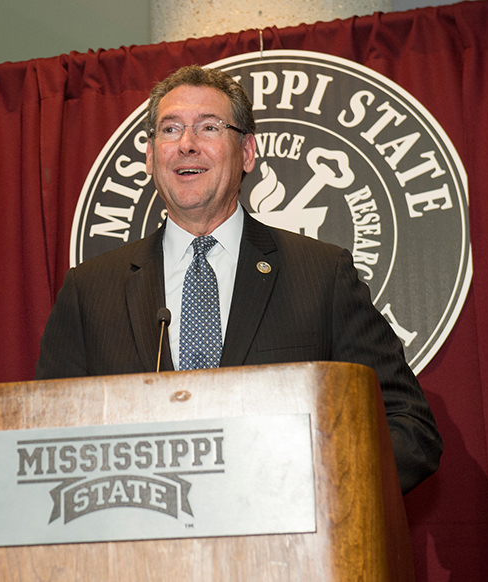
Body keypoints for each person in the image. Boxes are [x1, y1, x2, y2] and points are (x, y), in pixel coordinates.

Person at [35, 65, 442, 494]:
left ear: (247, 151)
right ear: (151, 156)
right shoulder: (90, 290)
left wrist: (315, 486)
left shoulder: (322, 276)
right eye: (170, 130)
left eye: (209, 127)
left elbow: (407, 426)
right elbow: (46, 436)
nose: (186, 145)